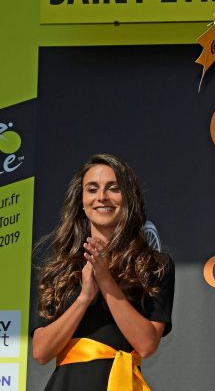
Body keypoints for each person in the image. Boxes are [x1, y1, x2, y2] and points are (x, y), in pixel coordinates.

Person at [31, 154, 174, 390]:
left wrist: (106, 281)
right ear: (82, 200)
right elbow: (41, 352)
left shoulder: (154, 264)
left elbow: (147, 345)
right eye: (92, 189)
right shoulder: (59, 267)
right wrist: (84, 297)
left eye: (113, 188)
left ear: (128, 196)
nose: (101, 197)